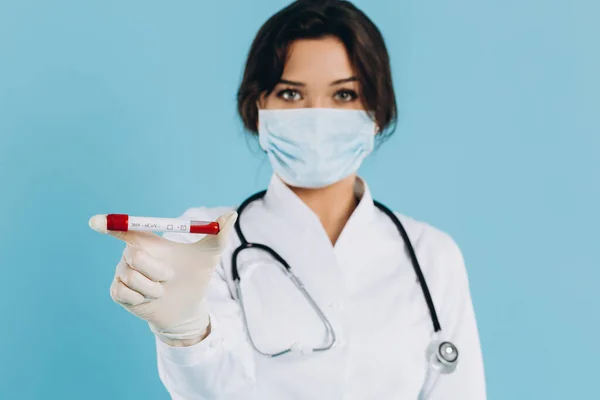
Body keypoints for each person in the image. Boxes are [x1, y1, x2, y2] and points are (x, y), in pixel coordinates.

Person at [91, 0, 486, 398]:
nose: (317, 116)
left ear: (377, 111)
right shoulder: (210, 241)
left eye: (345, 94)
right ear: (258, 106)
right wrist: (186, 333)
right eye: (291, 93)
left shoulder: (432, 254)